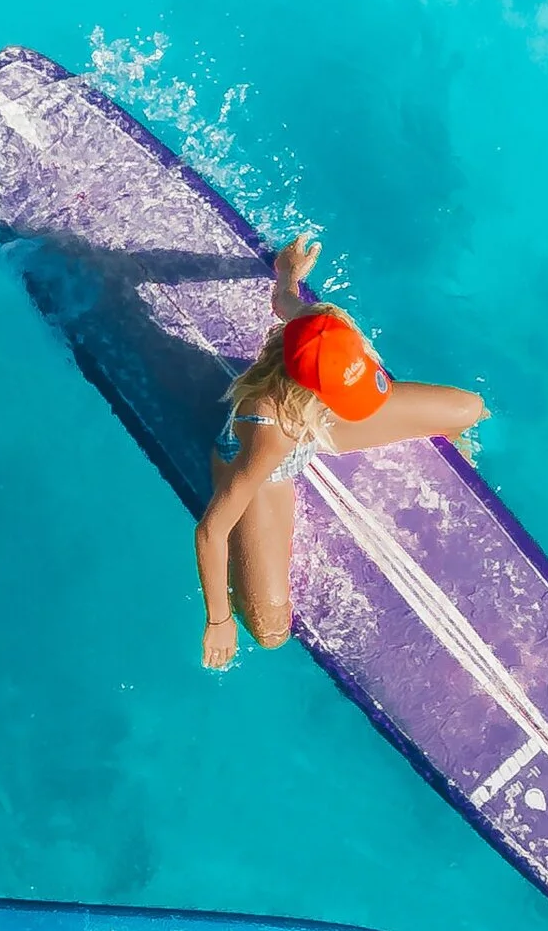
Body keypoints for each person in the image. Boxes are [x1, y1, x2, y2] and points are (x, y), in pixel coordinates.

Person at [194, 235, 487, 669]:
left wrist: (287, 272)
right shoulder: (269, 434)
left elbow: (286, 304)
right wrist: (218, 618)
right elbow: (210, 532)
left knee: (469, 410)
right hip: (270, 470)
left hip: (314, 418)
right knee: (270, 629)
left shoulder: (324, 329)